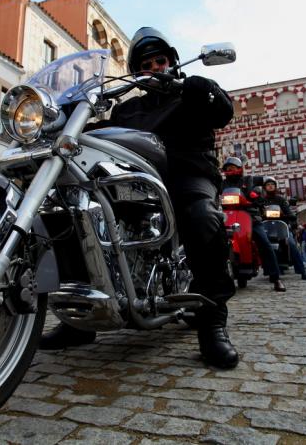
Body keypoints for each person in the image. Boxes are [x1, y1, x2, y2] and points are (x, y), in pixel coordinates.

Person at [42, 27, 239, 369]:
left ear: (172, 62)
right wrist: (70, 116)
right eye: (146, 63)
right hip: (132, 183)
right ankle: (78, 319)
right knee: (76, 218)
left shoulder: (189, 94)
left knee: (202, 218)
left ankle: (211, 321)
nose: (154, 67)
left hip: (185, 175)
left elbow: (222, 111)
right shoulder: (127, 110)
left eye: (160, 60)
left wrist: (201, 86)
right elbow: (98, 134)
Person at [221, 162, 287, 292]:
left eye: (233, 168)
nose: (230, 170)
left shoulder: (248, 180)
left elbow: (262, 184)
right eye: (228, 168)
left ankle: (276, 278)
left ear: (239, 169)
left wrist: (256, 197)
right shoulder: (222, 184)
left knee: (265, 243)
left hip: (250, 216)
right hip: (227, 217)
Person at [263, 178, 306, 280]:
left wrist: (289, 215)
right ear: (265, 187)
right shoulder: (262, 200)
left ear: (275, 187)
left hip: (281, 227)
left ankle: (302, 271)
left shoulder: (281, 200)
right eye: (268, 185)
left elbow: (288, 211)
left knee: (292, 244)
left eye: (272, 184)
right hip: (267, 228)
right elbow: (257, 212)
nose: (270, 186)